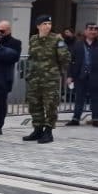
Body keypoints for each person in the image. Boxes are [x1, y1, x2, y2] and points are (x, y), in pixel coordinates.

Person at [23, 15, 71, 144]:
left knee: (50, 105)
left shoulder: (57, 39)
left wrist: (57, 72)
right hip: (34, 78)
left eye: (49, 24)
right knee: (34, 104)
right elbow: (31, 58)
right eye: (44, 24)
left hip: (50, 79)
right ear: (38, 26)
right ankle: (37, 129)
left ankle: (48, 131)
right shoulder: (33, 39)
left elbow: (65, 58)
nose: (47, 26)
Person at [66, 22, 98, 127]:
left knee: (96, 98)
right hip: (80, 76)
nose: (93, 31)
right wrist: (70, 76)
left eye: (95, 29)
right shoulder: (78, 44)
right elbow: (72, 61)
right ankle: (75, 118)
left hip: (96, 76)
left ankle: (97, 119)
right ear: (85, 31)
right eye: (90, 29)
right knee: (79, 98)